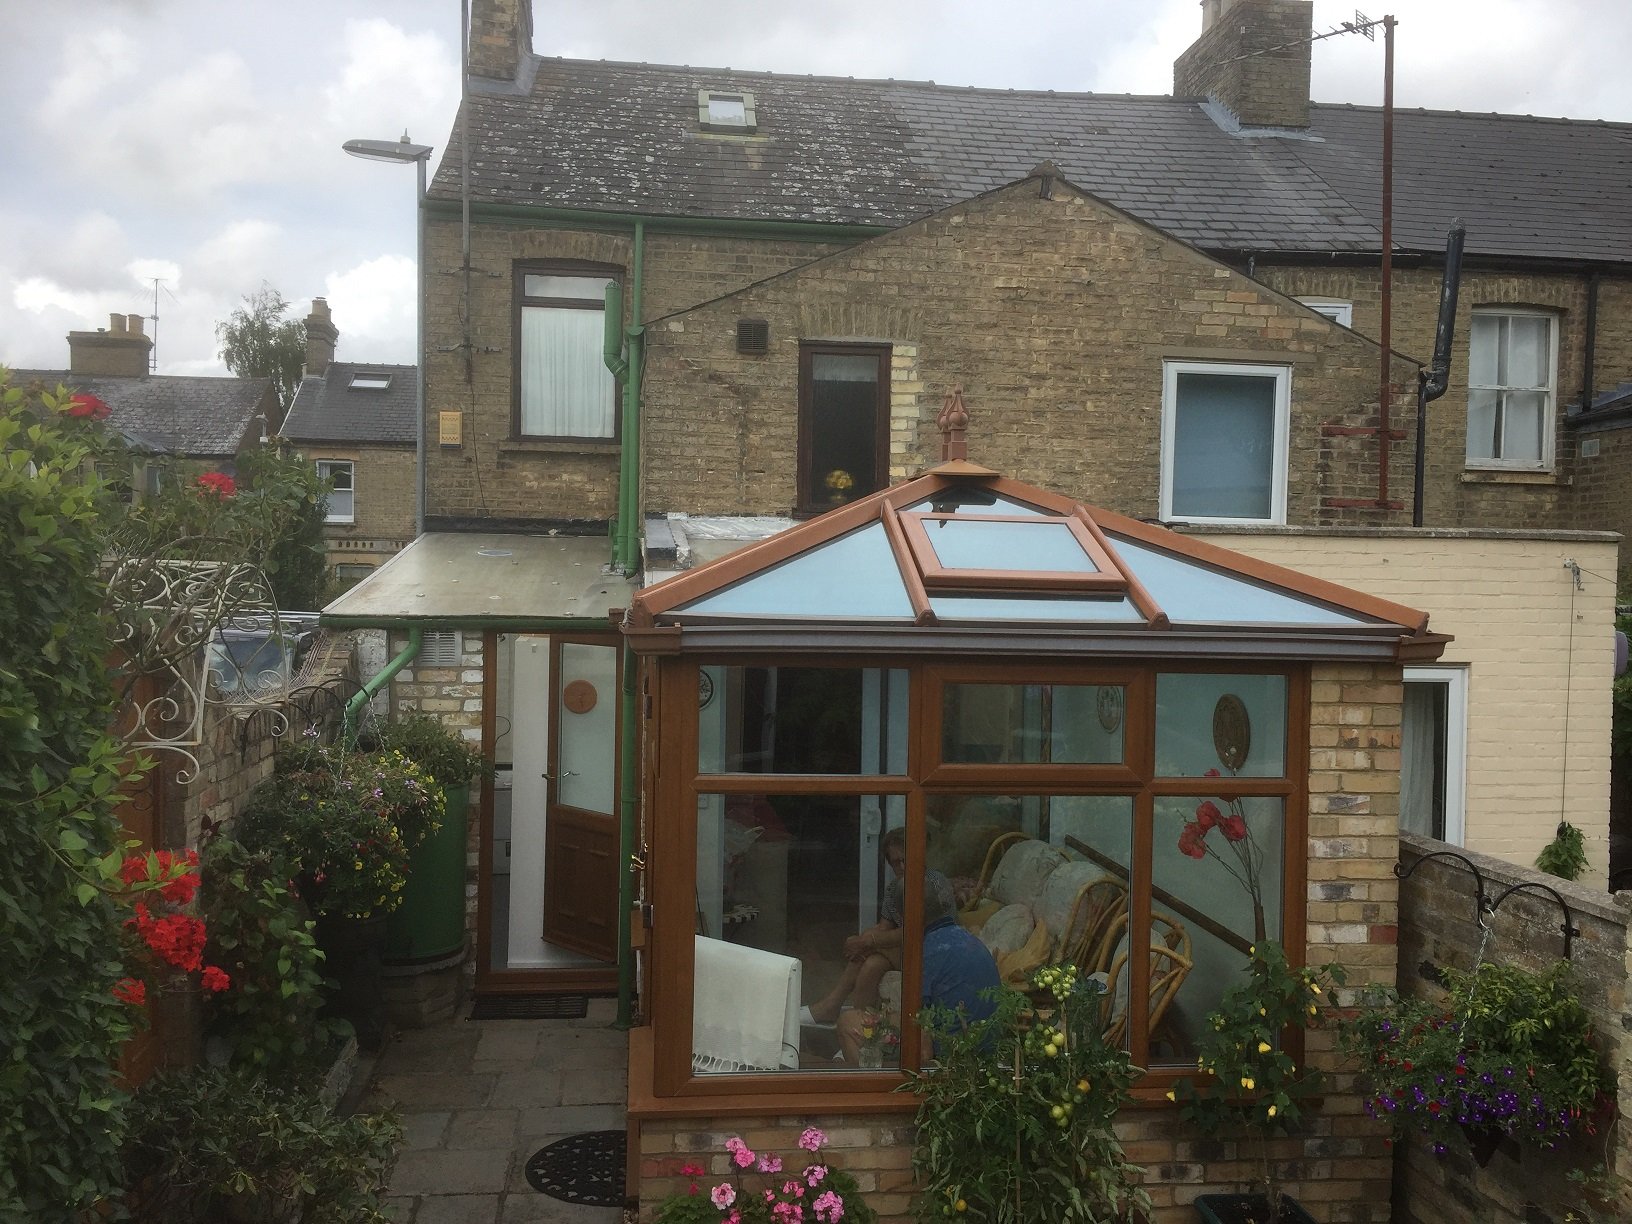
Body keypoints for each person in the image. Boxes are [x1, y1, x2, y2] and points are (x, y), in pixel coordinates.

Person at [835, 870, 999, 1065]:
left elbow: (922, 1043)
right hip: (988, 1053)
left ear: (906, 917)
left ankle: (871, 1091)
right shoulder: (970, 941)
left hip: (952, 1055)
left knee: (847, 1023)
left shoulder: (925, 953)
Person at [801, 827, 949, 1025]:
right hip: (907, 952)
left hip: (934, 950)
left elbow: (916, 931)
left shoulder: (934, 883)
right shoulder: (895, 888)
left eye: (907, 859)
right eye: (897, 863)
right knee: (871, 964)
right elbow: (884, 927)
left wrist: (866, 942)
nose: (904, 867)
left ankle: (832, 1005)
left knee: (869, 944)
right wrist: (862, 939)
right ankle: (861, 1031)